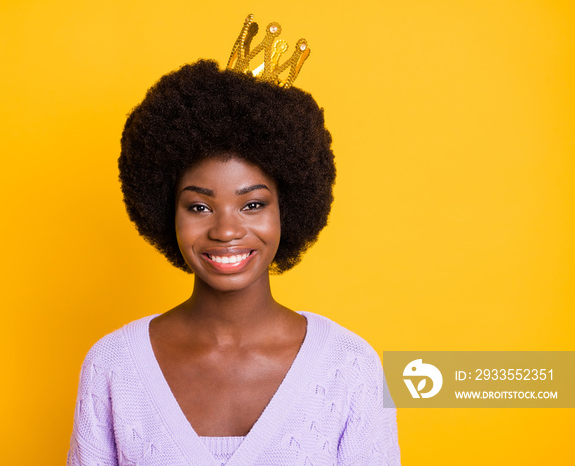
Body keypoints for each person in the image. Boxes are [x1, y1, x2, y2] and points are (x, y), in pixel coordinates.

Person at [68, 17, 400, 465]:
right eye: (200, 207)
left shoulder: (351, 366)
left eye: (252, 205)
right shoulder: (112, 367)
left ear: (289, 208)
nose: (225, 231)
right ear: (167, 211)